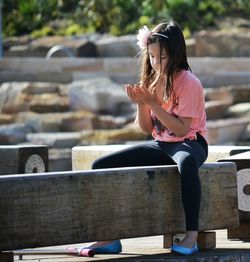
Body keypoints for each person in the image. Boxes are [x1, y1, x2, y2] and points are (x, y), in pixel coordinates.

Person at [84, 21, 208, 256]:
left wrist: (152, 103)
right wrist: (143, 104)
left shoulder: (188, 82)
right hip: (162, 145)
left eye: (161, 56)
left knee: (187, 163)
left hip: (190, 143)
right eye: (151, 56)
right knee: (99, 166)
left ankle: (191, 235)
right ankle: (108, 237)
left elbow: (181, 130)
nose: (155, 62)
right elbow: (146, 128)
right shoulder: (152, 80)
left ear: (176, 53)